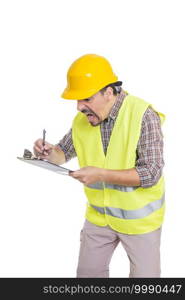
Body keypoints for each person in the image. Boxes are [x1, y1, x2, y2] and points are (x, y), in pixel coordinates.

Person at [33, 54, 165, 278]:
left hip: (139, 222)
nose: (79, 107)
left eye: (86, 99)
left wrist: (101, 174)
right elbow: (62, 153)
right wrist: (48, 152)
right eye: (77, 100)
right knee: (87, 277)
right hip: (98, 218)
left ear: (109, 92)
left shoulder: (143, 115)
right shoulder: (83, 120)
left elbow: (151, 173)